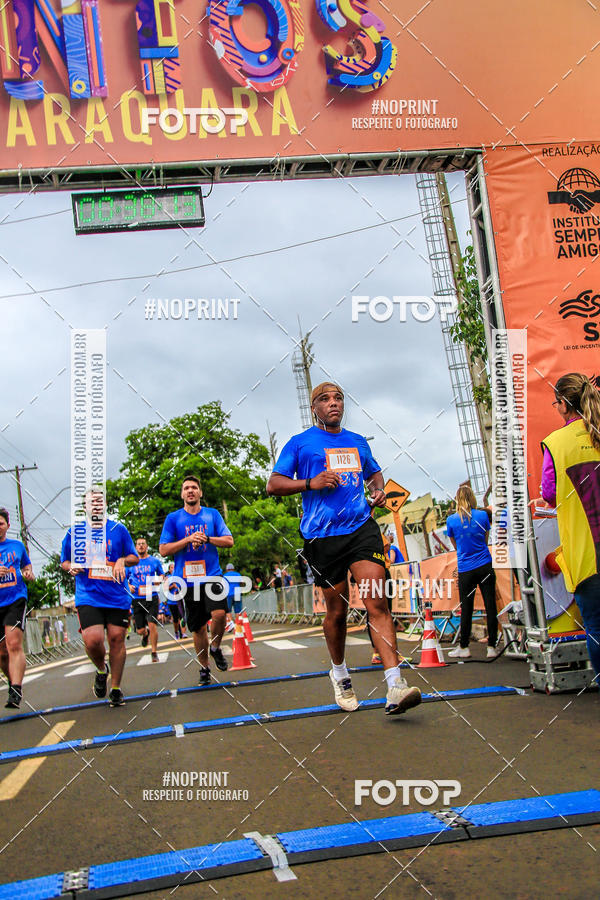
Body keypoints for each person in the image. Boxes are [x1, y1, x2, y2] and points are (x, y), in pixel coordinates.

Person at [266, 381, 421, 716]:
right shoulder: (300, 443)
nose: (333, 403)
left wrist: (377, 491)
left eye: (338, 398)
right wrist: (310, 483)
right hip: (322, 536)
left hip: (361, 528)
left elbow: (374, 474)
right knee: (336, 612)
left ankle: (395, 684)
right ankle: (339, 673)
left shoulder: (357, 441)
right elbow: (273, 484)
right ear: (314, 408)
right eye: (325, 399)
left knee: (377, 602)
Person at [541, 372, 600, 681]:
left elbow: (550, 493)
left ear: (563, 405)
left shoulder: (556, 444)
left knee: (596, 627)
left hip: (586, 554)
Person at [60, 490, 138, 706]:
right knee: (92, 640)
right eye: (91, 502)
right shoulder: (74, 533)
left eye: (99, 501)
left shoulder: (118, 530)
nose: (95, 505)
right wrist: (71, 566)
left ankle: (116, 688)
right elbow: (64, 561)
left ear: (105, 505)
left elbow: (134, 557)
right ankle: (102, 670)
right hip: (89, 595)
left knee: (116, 638)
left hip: (116, 595)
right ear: (85, 507)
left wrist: (122, 560)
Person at [159, 476, 233, 684]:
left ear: (200, 492)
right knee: (198, 628)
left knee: (220, 614)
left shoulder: (212, 514)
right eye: (186, 488)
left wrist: (207, 538)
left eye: (194, 487)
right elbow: (163, 550)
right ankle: (204, 667)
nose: (190, 491)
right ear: (182, 494)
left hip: (212, 575)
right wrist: (188, 539)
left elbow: (229, 541)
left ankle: (215, 648)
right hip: (188, 581)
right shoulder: (173, 519)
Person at [446, 485, 498, 659]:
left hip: (465, 567)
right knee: (490, 605)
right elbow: (485, 539)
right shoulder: (482, 516)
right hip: (484, 564)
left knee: (466, 607)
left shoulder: (451, 520)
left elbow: (455, 545)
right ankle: (492, 646)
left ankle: (464, 646)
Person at [0, 507, 35, 708]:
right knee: (2, 654)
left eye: (0, 523)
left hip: (15, 599)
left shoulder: (17, 546)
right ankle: (12, 681)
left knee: (13, 644)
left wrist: (28, 573)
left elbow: (27, 567)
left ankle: (15, 689)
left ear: (7, 525)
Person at [126, 538, 164, 662]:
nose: (141, 546)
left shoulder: (154, 561)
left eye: (143, 544)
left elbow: (162, 574)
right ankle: (145, 634)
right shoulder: (131, 562)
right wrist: (128, 586)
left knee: (152, 624)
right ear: (136, 547)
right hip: (137, 598)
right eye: (139, 544)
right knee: (140, 630)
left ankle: (154, 652)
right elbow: (124, 578)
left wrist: (158, 581)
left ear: (147, 546)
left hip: (151, 597)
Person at [223, 562, 245, 631]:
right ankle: (238, 624)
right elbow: (242, 582)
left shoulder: (224, 576)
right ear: (233, 569)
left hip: (228, 594)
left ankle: (231, 623)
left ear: (227, 569)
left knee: (228, 610)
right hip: (237, 593)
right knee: (237, 610)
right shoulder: (237, 574)